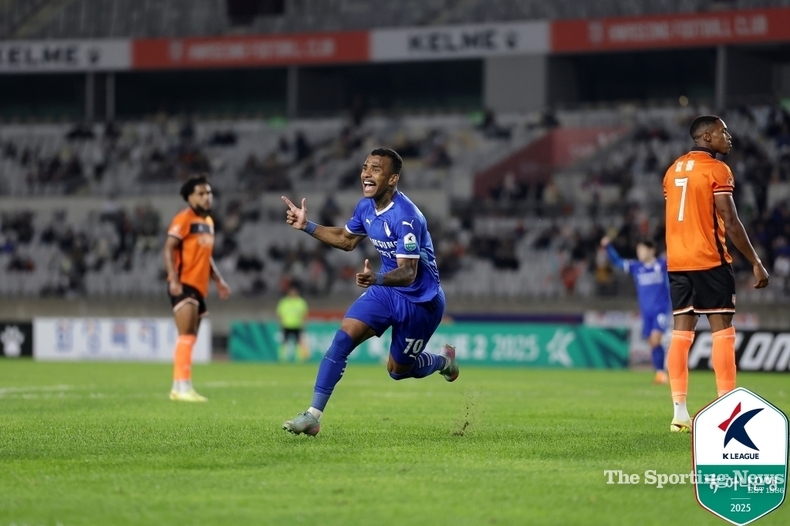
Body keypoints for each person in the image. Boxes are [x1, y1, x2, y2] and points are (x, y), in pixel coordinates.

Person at [280, 148, 459, 436]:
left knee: (398, 370)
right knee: (342, 338)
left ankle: (442, 361)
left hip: (420, 301)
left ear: (392, 179)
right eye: (365, 167)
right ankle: (313, 415)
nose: (366, 173)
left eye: (376, 169)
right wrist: (307, 226)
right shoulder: (365, 207)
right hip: (385, 291)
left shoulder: (407, 217)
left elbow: (409, 272)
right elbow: (346, 239)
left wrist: (376, 277)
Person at [662, 115, 769, 433]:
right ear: (707, 137)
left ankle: (679, 413)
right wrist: (755, 261)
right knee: (722, 329)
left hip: (678, 262)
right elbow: (731, 221)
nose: (729, 136)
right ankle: (729, 411)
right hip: (709, 259)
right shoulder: (717, 170)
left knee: (681, 332)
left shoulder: (672, 171)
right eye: (723, 132)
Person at [163, 174, 231, 402]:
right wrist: (173, 278)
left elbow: (206, 256)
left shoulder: (209, 222)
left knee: (190, 338)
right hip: (184, 283)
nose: (206, 197)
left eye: (208, 193)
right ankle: (181, 388)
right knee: (186, 336)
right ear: (190, 197)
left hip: (199, 286)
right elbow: (169, 248)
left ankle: (181, 386)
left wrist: (218, 280)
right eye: (201, 193)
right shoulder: (184, 218)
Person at [600, 237, 670, 384]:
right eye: (638, 250)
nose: (640, 253)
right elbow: (618, 262)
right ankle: (659, 373)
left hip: (660, 310)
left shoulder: (662, 264)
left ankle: (662, 373)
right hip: (646, 312)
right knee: (652, 342)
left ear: (651, 250)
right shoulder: (636, 267)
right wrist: (608, 247)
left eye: (643, 250)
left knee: (656, 339)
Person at [276, 284, 310, 362]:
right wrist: (280, 323)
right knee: (284, 342)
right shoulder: (284, 302)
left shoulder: (300, 302)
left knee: (298, 343)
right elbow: (280, 314)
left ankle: (299, 359)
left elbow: (304, 315)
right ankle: (282, 358)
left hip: (297, 325)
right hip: (286, 325)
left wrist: (304, 324)